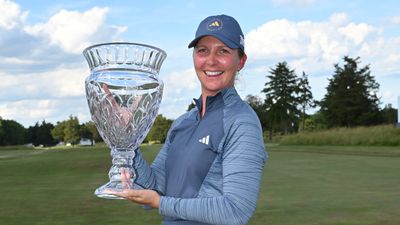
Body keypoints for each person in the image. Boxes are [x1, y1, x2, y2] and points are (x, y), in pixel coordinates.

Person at [107, 14, 268, 225]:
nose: (211, 60)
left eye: (223, 51)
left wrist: (161, 203)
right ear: (194, 57)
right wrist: (128, 140)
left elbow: (235, 211)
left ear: (241, 61)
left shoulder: (241, 122)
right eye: (203, 50)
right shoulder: (182, 123)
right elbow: (154, 187)